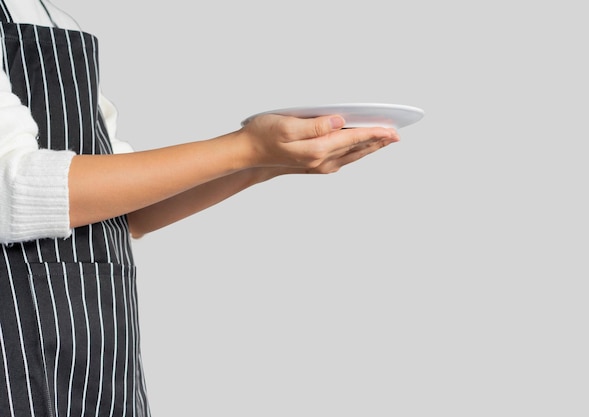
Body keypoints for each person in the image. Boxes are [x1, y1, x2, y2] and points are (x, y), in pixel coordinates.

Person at [0, 1, 400, 416]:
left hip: (100, 358)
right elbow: (15, 188)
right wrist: (246, 146)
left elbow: (128, 211)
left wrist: (269, 162)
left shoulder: (52, 20)